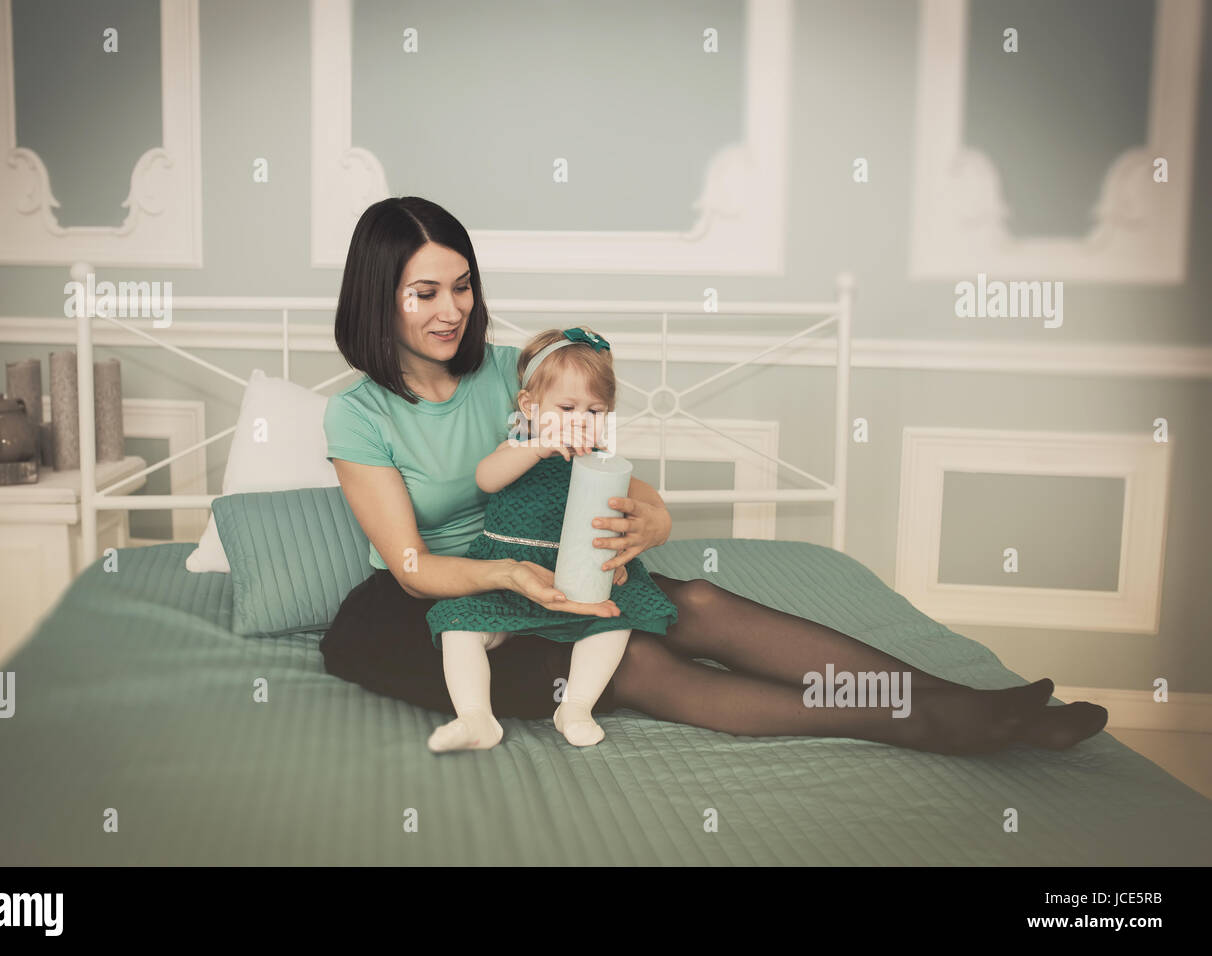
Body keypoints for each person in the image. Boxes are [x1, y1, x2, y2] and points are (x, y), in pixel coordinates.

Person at [320, 196, 1109, 756]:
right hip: (435, 600)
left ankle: (964, 702)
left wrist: (654, 519)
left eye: (461, 286)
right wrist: (512, 577)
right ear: (379, 297)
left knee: (692, 600)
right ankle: (931, 725)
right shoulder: (359, 415)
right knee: (637, 660)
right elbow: (412, 568)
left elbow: (607, 465)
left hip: (550, 561)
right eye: (424, 292)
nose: (450, 309)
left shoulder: (517, 371)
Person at [423, 326, 678, 752]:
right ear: (530, 406)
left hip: (576, 579)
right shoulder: (519, 448)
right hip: (510, 574)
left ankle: (575, 706)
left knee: (613, 622)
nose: (581, 421)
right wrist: (539, 446)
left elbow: (624, 519)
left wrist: (615, 559)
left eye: (595, 411)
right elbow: (487, 479)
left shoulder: (601, 466)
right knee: (458, 626)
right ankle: (475, 717)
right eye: (566, 407)